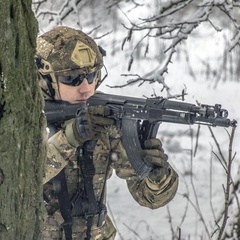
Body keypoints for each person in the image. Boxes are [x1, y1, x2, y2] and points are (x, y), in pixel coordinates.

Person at [36, 26, 179, 240]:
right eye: (72, 79)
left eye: (91, 76)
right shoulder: (21, 119)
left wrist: (157, 176)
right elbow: (22, 176)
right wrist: (71, 137)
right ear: (44, 79)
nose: (85, 88)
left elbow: (149, 197)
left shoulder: (102, 118)